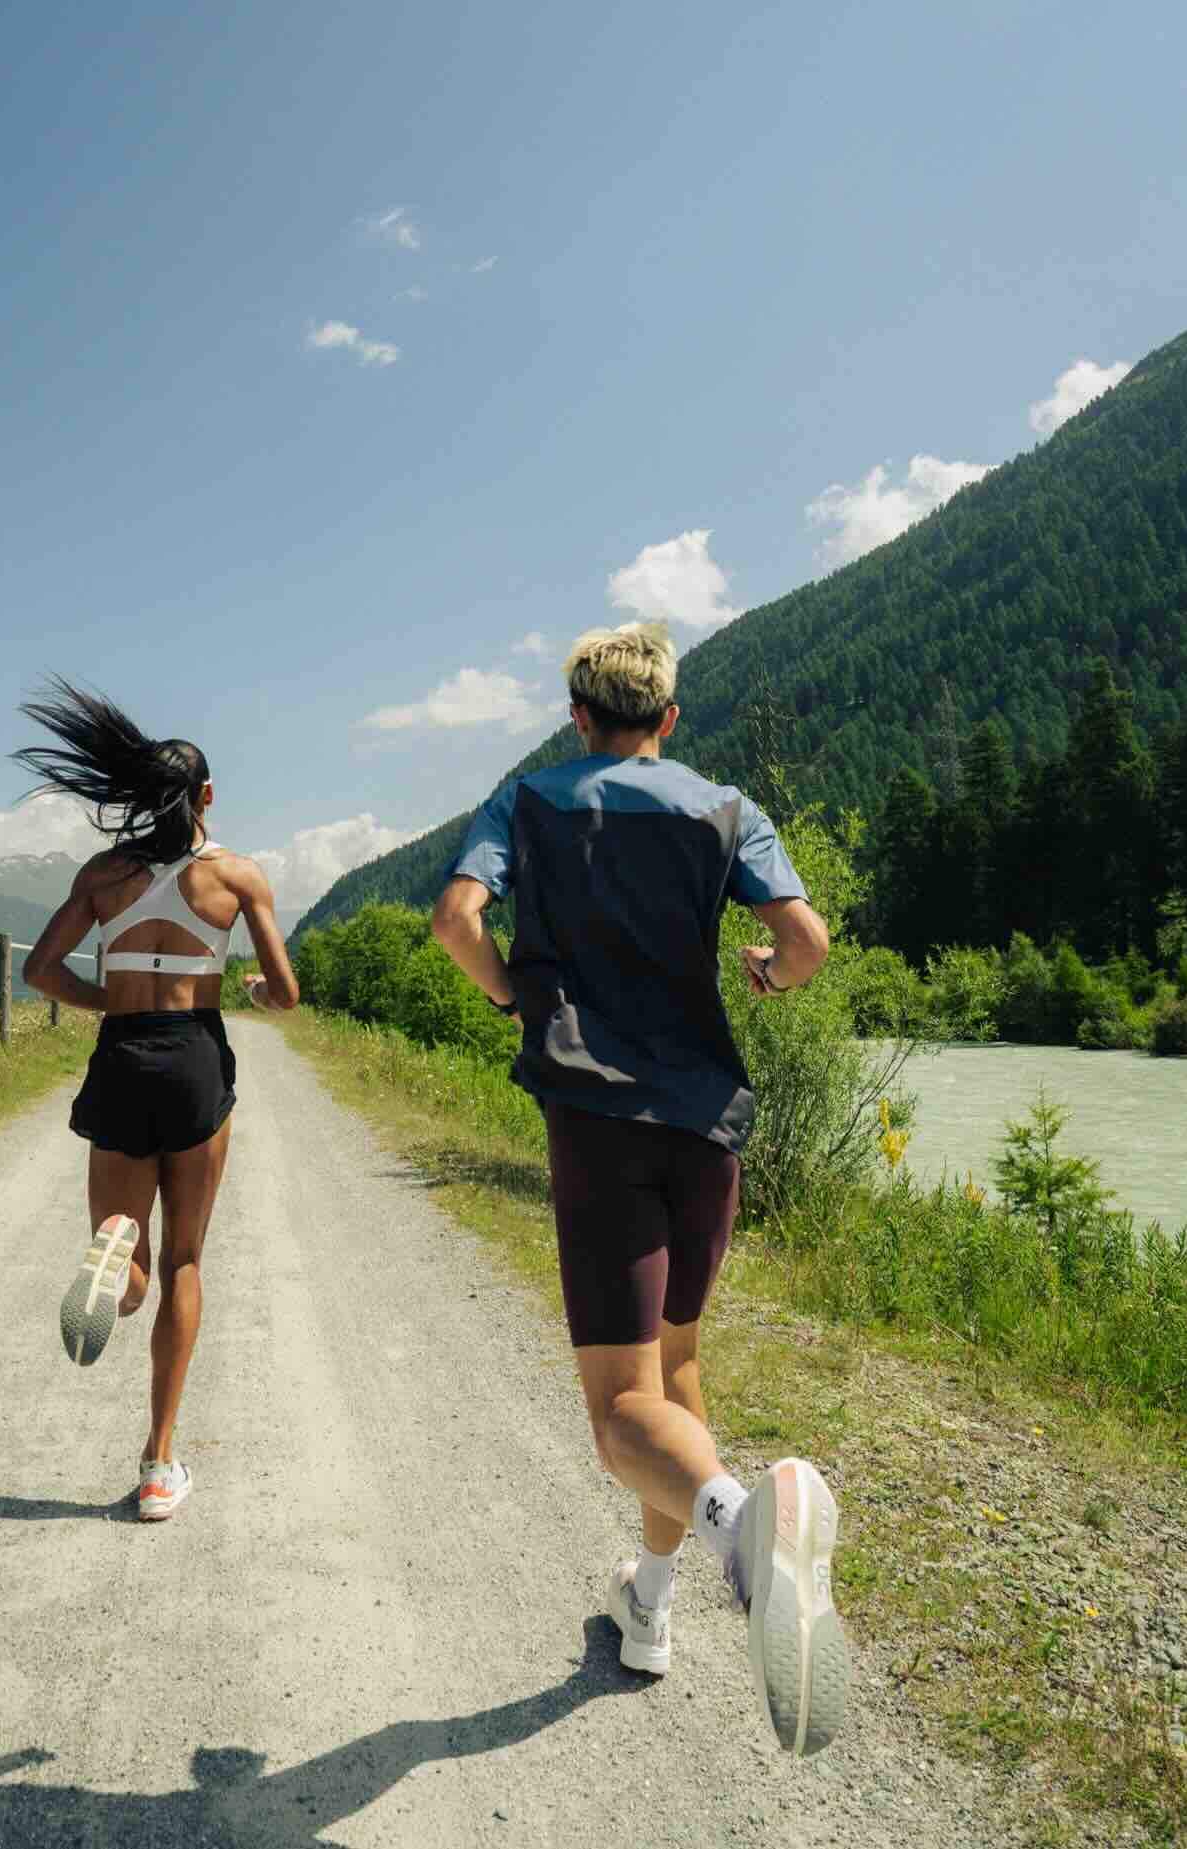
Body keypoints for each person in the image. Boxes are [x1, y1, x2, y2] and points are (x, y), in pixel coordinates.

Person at [431, 622, 849, 1756]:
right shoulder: (725, 806)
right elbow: (803, 942)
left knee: (620, 1408)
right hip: (707, 1119)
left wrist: (512, 1000)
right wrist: (766, 972)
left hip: (600, 1119)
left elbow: (457, 919)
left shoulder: (530, 800)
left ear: (578, 715)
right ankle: (651, 1609)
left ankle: (737, 1531)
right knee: (676, 1370)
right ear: (668, 718)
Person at [19, 680, 297, 1520]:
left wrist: (111, 1001)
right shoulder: (237, 878)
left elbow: (39, 968)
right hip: (195, 1063)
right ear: (208, 797)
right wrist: (247, 986)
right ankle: (157, 1462)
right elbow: (285, 991)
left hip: (123, 1058)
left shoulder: (105, 874)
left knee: (134, 1259)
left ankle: (116, 1257)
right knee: (186, 1261)